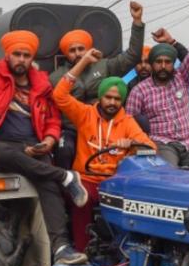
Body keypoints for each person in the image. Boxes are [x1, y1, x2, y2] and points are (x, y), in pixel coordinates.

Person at [0, 0, 89, 266]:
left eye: (26, 55)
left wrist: (50, 141)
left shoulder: (42, 84)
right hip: (1, 145)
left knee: (47, 181)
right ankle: (65, 178)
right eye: (17, 54)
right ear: (8, 55)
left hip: (33, 146)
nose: (21, 59)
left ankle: (61, 247)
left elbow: (53, 120)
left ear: (32, 58)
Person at [53, 48, 151, 250]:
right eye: (108, 97)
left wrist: (131, 144)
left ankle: (126, 252)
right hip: (86, 180)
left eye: (117, 99)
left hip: (114, 183)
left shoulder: (128, 121)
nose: (112, 102)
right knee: (82, 199)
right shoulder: (85, 114)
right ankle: (82, 252)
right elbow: (59, 95)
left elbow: (150, 147)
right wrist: (83, 63)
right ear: (101, 97)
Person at [126, 0, 189, 173]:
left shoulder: (181, 78)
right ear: (152, 64)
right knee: (167, 175)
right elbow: (128, 122)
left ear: (173, 63)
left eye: (167, 62)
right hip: (161, 143)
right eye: (158, 62)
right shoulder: (139, 91)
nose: (163, 66)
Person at [49, 2, 145, 168]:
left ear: (88, 49)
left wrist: (137, 23)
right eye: (72, 50)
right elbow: (55, 102)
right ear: (66, 53)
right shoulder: (57, 76)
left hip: (103, 126)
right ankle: (65, 189)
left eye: (81, 49)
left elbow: (132, 56)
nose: (78, 53)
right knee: (64, 150)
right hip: (71, 128)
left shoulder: (104, 65)